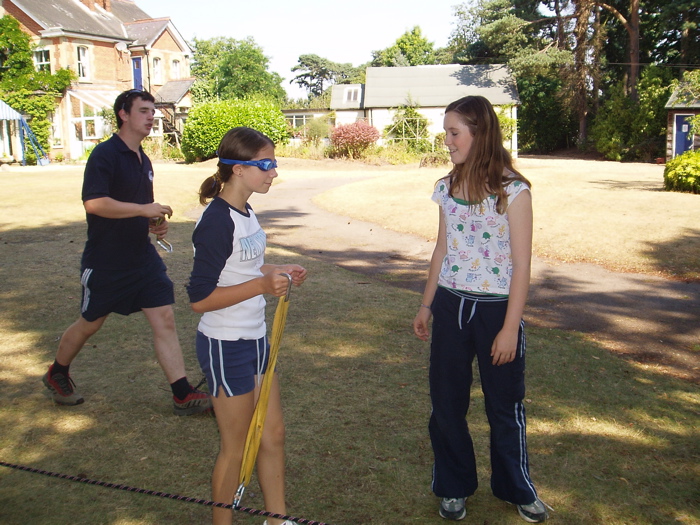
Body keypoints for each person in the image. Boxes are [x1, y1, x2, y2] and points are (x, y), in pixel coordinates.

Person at [412, 96, 548, 523]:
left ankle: (516, 488)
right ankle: (453, 487)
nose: (447, 140)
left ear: (479, 133)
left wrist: (510, 329)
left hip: (497, 312)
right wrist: (426, 305)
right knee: (447, 403)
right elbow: (441, 248)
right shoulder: (447, 186)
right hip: (451, 307)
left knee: (503, 405)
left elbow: (522, 266)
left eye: (454, 132)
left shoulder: (514, 191)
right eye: (446, 131)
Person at [42, 89, 212, 417]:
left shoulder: (143, 160)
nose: (152, 117)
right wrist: (143, 208)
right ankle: (57, 372)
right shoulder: (104, 155)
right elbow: (95, 203)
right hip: (106, 260)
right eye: (144, 110)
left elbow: (135, 208)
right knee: (90, 323)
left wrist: (152, 222)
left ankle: (181, 394)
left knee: (163, 316)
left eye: (153, 111)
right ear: (124, 113)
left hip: (141, 257)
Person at [187, 127, 307, 525]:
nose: (274, 173)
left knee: (272, 434)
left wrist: (277, 271)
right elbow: (200, 298)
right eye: (266, 165)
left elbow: (244, 269)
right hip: (225, 344)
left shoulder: (246, 211)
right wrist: (260, 284)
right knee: (235, 447)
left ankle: (278, 519)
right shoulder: (216, 222)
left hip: (255, 338)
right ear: (240, 169)